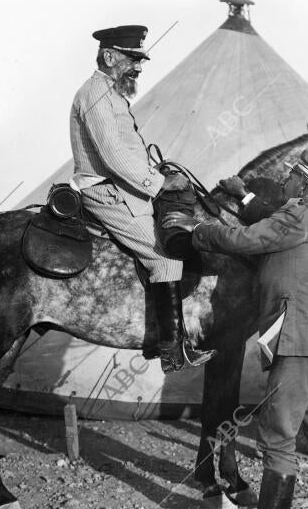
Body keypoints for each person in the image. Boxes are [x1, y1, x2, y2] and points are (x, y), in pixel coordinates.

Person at [164, 151, 308, 509]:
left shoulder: (296, 215)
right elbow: (269, 222)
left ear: (303, 186)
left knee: (278, 437)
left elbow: (246, 239)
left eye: (289, 178)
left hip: (298, 342)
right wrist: (245, 199)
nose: (284, 181)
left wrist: (197, 229)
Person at [69, 24, 215, 373]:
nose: (138, 67)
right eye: (132, 59)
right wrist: (160, 182)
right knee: (165, 258)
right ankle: (172, 350)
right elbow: (113, 157)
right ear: (109, 56)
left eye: (140, 59)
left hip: (126, 187)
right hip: (105, 190)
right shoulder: (96, 96)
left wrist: (159, 172)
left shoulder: (111, 95)